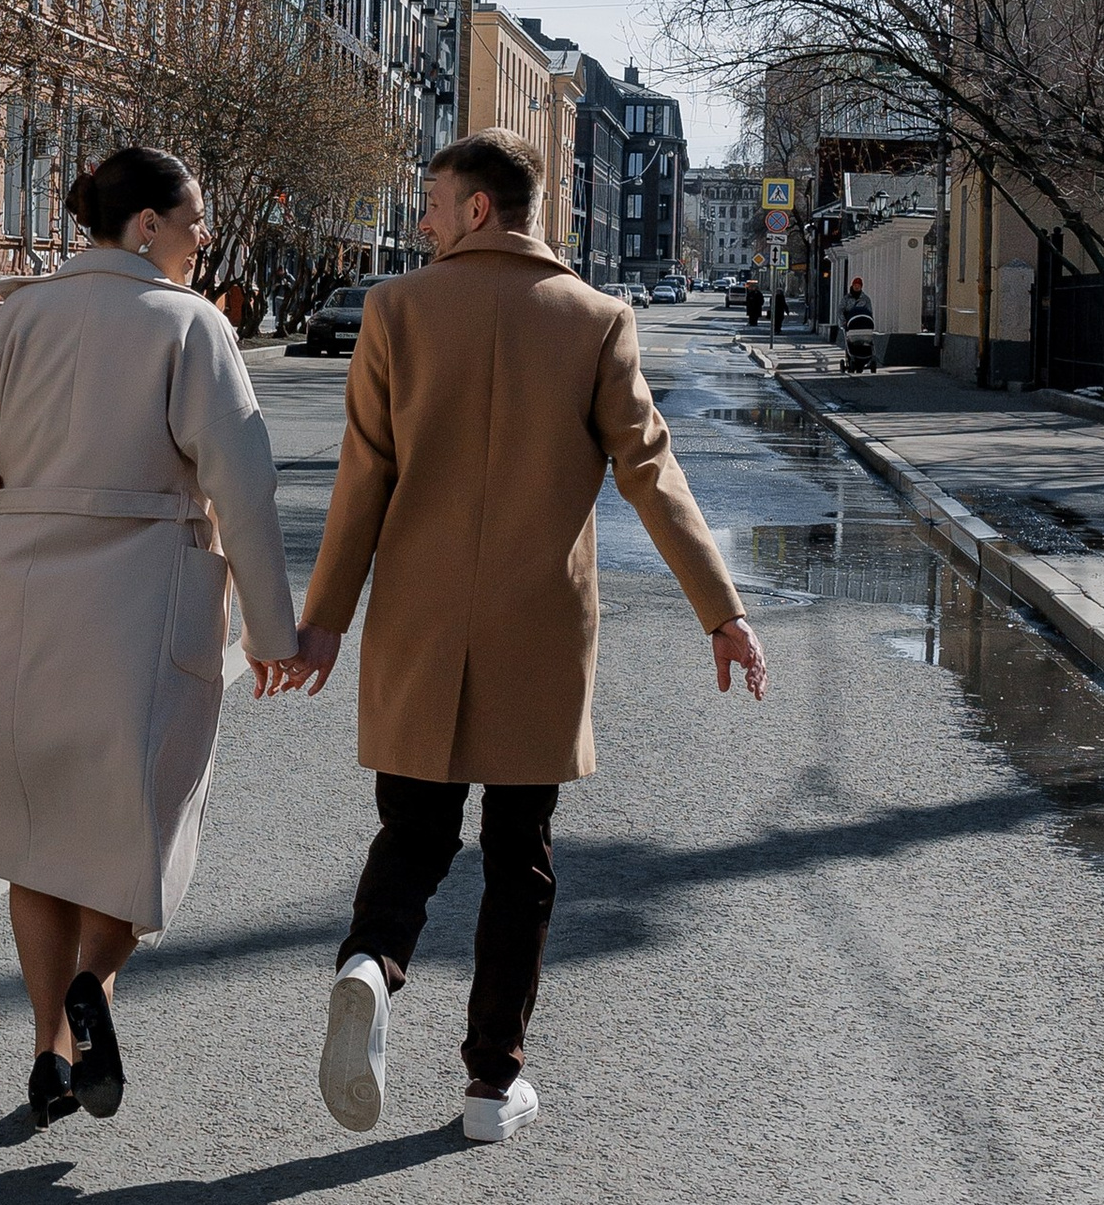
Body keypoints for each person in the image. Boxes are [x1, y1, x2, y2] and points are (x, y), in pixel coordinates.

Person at [277, 129, 768, 1145]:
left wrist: (322, 621)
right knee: (519, 856)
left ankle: (370, 960)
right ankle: (491, 1085)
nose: (420, 219)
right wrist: (721, 611)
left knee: (414, 833)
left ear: (477, 209)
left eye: (431, 201)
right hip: (538, 627)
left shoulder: (396, 310)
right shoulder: (596, 318)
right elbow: (651, 473)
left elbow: (362, 481)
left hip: (419, 622)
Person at [0, 145, 298, 1130]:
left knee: (38, 840)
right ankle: (94, 986)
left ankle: (48, 1054)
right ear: (146, 225)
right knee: (136, 826)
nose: (203, 236)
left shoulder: (17, 316)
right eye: (193, 219)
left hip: (14, 603)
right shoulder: (192, 327)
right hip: (142, 607)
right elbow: (243, 487)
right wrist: (271, 629)